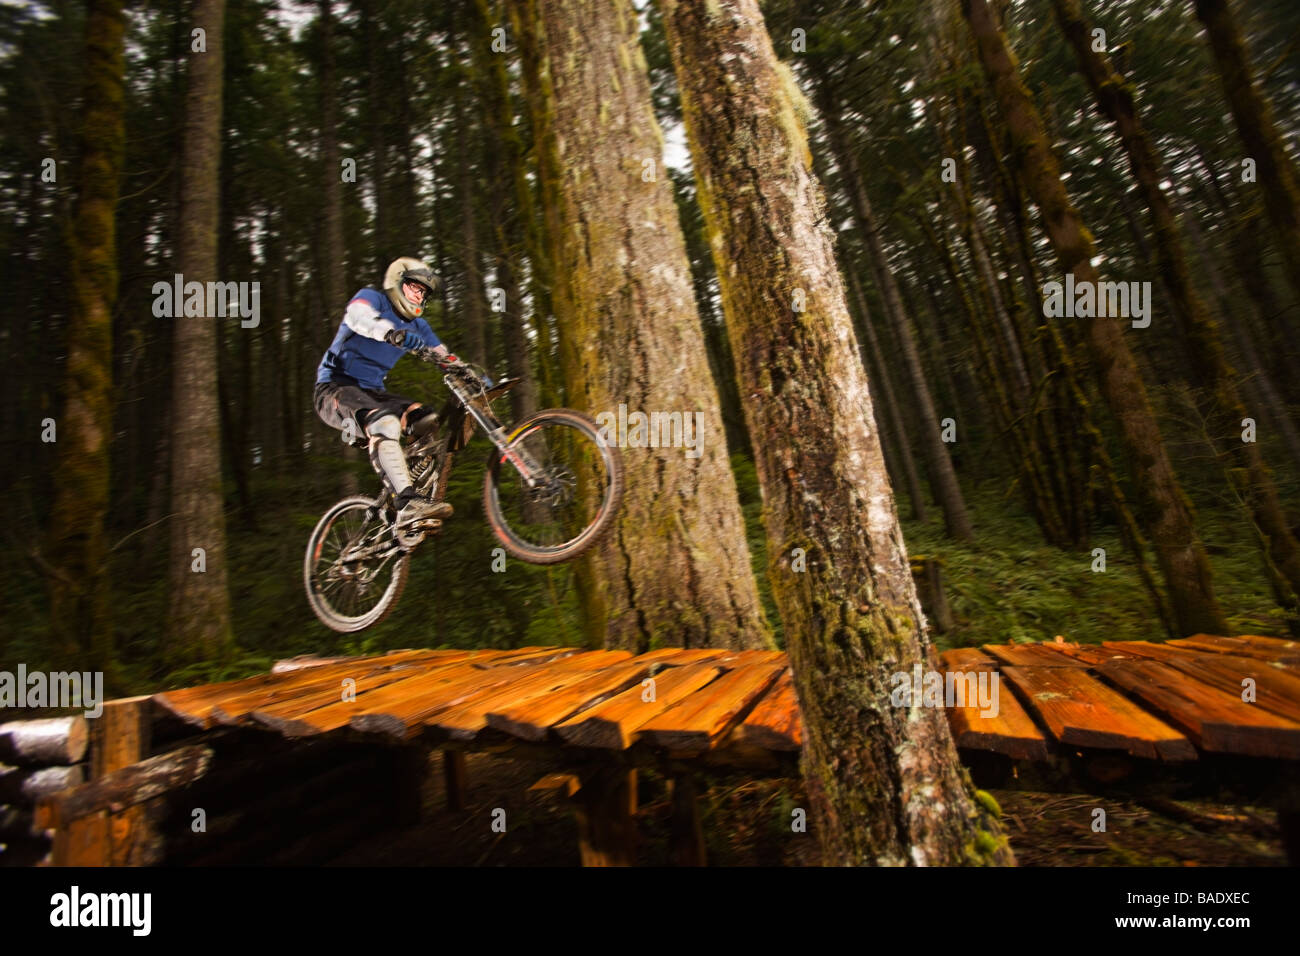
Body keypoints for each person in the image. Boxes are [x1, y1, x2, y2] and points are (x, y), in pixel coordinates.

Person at [314, 257, 462, 528]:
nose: (418, 295)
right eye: (414, 287)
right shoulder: (373, 299)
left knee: (425, 419)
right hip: (335, 388)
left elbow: (444, 356)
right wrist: (390, 333)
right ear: (398, 281)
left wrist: (469, 373)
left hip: (373, 392)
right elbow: (358, 317)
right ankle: (406, 503)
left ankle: (411, 492)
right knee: (384, 422)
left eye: (423, 292)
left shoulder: (419, 326)